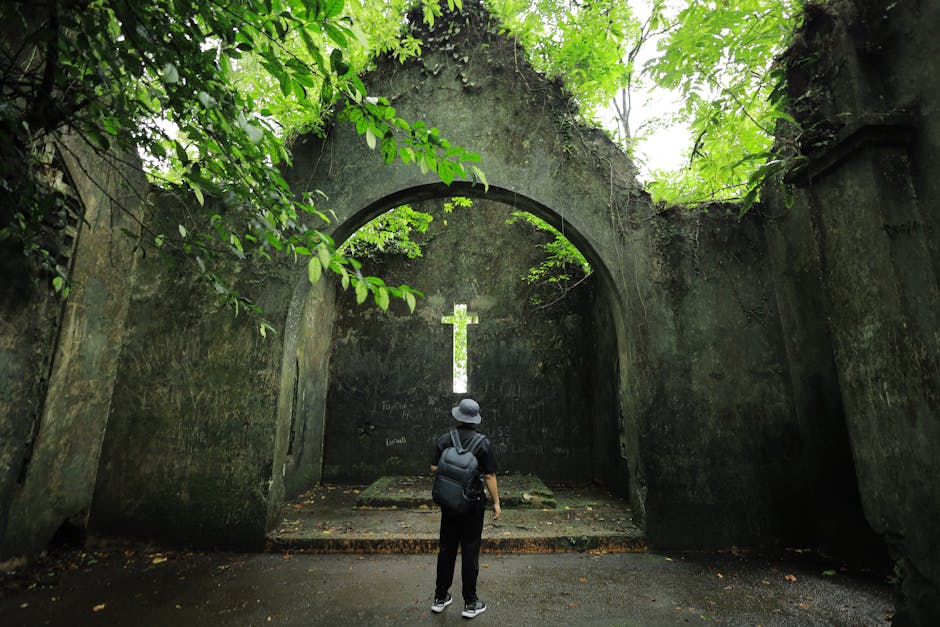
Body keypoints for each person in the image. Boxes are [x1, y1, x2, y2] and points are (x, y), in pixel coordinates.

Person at [430, 397, 501, 619]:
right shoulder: (483, 443)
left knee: (446, 549)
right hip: (472, 505)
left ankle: (440, 598)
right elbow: (489, 475)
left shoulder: (444, 439)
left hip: (449, 504)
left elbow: (434, 467)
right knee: (470, 551)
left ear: (458, 416)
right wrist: (496, 502)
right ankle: (470, 603)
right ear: (475, 420)